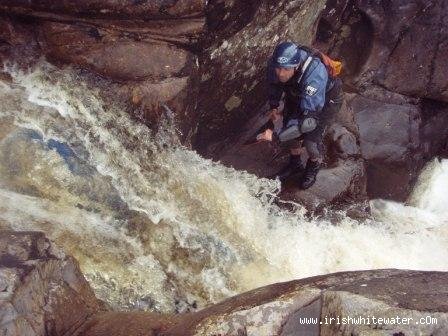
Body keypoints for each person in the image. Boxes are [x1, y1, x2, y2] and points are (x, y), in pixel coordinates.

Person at [257, 41, 344, 189]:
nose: (281, 73)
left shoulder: (314, 75)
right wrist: (274, 106)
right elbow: (274, 84)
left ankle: (314, 164)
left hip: (326, 100)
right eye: (278, 68)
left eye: (286, 69)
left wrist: (275, 136)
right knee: (289, 126)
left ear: (296, 66)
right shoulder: (275, 64)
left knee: (311, 141)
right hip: (297, 92)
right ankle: (295, 163)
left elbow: (307, 121)